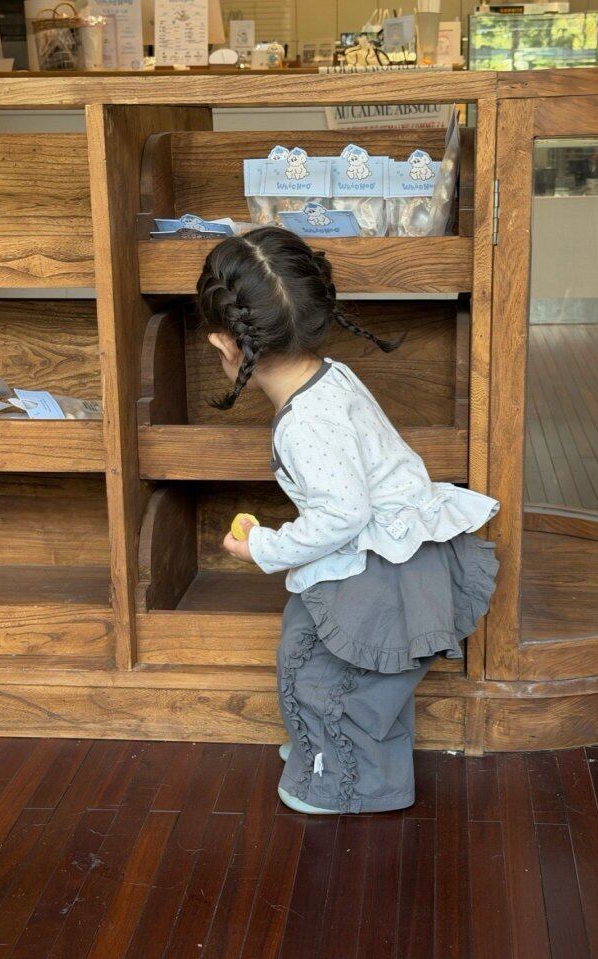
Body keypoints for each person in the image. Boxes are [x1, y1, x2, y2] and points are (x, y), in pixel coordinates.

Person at [197, 227, 499, 814]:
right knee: (314, 652)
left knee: (332, 679)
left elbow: (344, 511)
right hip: (393, 552)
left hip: (383, 568)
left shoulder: (304, 423)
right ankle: (322, 751)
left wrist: (263, 547)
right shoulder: (329, 373)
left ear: (224, 343)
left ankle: (347, 785)